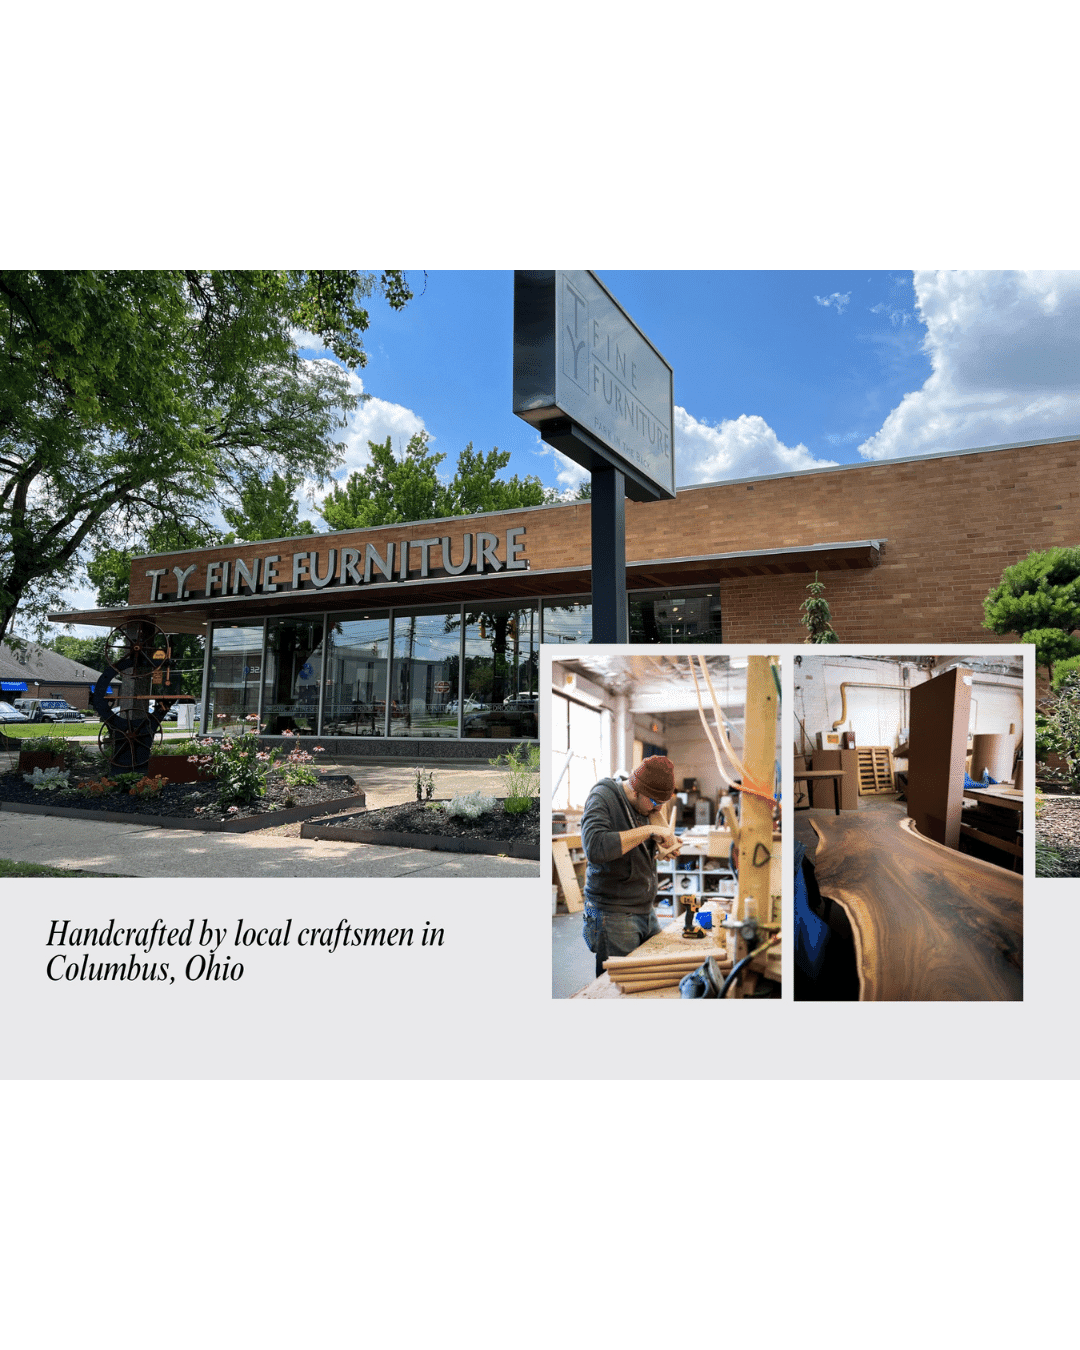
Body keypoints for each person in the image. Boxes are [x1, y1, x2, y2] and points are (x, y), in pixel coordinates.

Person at [579, 755, 680, 978]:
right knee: (618, 987)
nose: (657, 809)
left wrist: (661, 849)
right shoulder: (603, 796)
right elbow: (595, 848)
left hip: (645, 909)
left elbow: (633, 849)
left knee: (651, 976)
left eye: (662, 804)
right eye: (654, 802)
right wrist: (648, 832)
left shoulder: (645, 807)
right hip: (613, 914)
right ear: (635, 790)